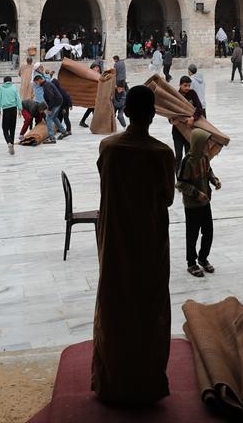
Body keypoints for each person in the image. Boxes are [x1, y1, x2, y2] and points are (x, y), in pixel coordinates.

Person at [91, 86, 176, 405]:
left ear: (126, 111)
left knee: (115, 305)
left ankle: (111, 381)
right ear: (153, 114)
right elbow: (166, 197)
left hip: (114, 240)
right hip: (149, 242)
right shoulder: (162, 154)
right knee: (148, 307)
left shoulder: (108, 148)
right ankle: (147, 382)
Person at [177, 129, 220, 278]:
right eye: (205, 143)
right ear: (197, 143)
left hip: (205, 202)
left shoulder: (204, 158)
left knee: (208, 232)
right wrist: (196, 193)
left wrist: (214, 180)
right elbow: (180, 183)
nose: (207, 146)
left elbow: (208, 172)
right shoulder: (187, 161)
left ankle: (203, 258)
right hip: (192, 205)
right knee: (192, 234)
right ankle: (191, 262)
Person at [171, 75, 204, 170]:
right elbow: (170, 111)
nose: (187, 88)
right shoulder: (176, 95)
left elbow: (199, 108)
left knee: (188, 155)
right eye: (185, 85)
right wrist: (171, 120)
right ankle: (178, 177)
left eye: (189, 85)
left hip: (189, 130)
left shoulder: (192, 94)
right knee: (178, 156)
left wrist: (193, 118)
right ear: (180, 85)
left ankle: (187, 178)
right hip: (177, 131)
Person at [35, 73, 68, 142]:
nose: (36, 84)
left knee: (49, 118)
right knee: (54, 117)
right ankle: (64, 131)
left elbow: (51, 98)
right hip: (58, 101)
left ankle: (52, 138)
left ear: (40, 80)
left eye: (36, 82)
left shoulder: (46, 85)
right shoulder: (46, 84)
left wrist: (49, 109)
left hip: (56, 102)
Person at [0, 76, 22, 155]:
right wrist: (20, 109)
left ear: (4, 82)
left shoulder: (1, 88)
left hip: (6, 110)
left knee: (5, 128)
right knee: (12, 129)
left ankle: (9, 143)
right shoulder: (14, 87)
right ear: (10, 81)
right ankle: (12, 145)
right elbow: (18, 98)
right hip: (14, 109)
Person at [79, 63, 104, 127]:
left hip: (97, 95)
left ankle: (83, 121)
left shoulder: (99, 74)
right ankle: (84, 121)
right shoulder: (90, 75)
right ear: (92, 68)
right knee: (92, 108)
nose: (97, 69)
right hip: (92, 95)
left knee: (92, 109)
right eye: (95, 67)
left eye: (98, 67)